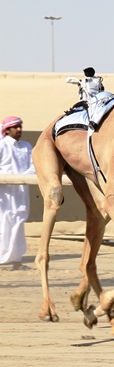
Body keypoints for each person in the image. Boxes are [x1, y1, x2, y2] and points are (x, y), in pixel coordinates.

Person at [0, 116, 36, 270]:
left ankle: (16, 260)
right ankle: (2, 259)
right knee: (4, 223)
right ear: (7, 130)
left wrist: (23, 178)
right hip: (4, 192)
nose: (19, 130)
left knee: (18, 222)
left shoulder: (27, 146)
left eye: (20, 126)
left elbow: (34, 165)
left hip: (22, 190)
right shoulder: (2, 145)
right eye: (15, 127)